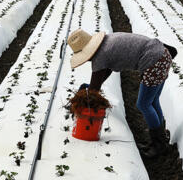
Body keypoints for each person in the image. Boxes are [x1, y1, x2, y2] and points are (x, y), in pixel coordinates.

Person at [68, 29, 176, 158]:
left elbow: (94, 89)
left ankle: (159, 145)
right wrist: (89, 88)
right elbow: (103, 75)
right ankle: (161, 140)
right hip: (162, 54)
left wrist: (85, 94)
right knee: (152, 101)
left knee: (144, 104)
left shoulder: (100, 56)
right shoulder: (106, 43)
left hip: (154, 61)